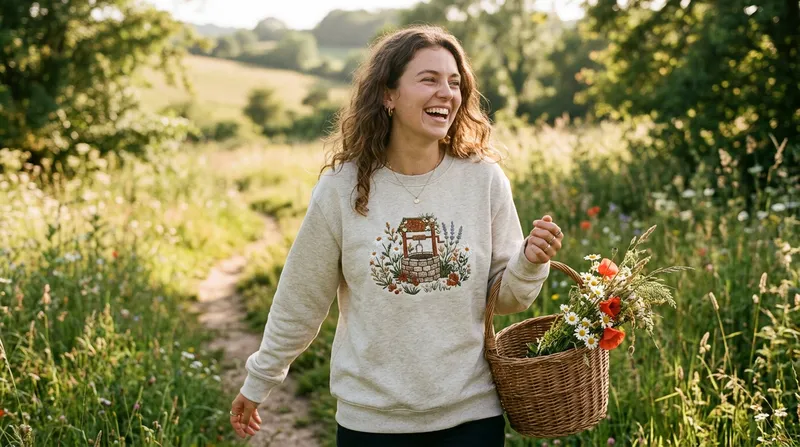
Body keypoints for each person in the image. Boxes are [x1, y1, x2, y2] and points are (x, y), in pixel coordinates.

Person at [228, 24, 564, 446]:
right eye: (429, 79)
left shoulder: (484, 180)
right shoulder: (341, 188)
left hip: (471, 415)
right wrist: (260, 379)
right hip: (372, 421)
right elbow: (301, 297)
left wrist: (530, 262)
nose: (447, 92)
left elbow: (508, 299)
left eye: (455, 82)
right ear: (388, 95)